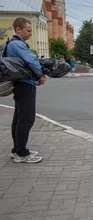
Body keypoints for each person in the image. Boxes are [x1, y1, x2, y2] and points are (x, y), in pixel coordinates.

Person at [5, 17, 46, 163]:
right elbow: (31, 60)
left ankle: (17, 149)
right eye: (28, 30)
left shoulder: (13, 44)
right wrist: (40, 75)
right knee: (26, 119)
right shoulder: (17, 44)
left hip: (20, 84)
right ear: (18, 29)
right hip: (24, 84)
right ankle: (22, 153)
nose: (31, 33)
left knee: (19, 118)